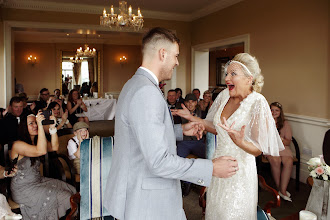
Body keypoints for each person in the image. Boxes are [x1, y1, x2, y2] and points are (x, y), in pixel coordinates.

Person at [104, 27, 238, 220]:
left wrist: (180, 129)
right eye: (175, 56)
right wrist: (210, 168)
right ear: (162, 53)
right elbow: (158, 162)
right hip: (146, 201)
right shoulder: (146, 92)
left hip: (137, 190)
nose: (176, 62)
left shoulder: (135, 83)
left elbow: (140, 131)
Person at [173, 53, 284, 219]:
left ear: (249, 79)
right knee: (215, 210)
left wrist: (240, 142)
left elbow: (257, 150)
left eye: (233, 74)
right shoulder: (224, 96)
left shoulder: (257, 102)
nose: (227, 78)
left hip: (239, 173)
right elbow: (217, 128)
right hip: (217, 164)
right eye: (227, 73)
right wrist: (192, 118)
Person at [9, 113, 76, 219]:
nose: (35, 125)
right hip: (23, 189)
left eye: (36, 122)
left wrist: (53, 128)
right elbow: (41, 151)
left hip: (38, 181)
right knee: (64, 196)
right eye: (31, 123)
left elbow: (54, 147)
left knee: (70, 189)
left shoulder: (37, 141)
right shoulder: (17, 145)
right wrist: (40, 126)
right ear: (23, 127)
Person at [267, 102, 293, 202]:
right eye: (272, 110)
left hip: (282, 147)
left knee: (288, 161)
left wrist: (281, 140)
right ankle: (280, 189)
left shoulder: (285, 123)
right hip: (269, 147)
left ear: (280, 112)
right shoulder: (265, 122)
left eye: (276, 110)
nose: (274, 112)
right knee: (276, 160)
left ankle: (283, 189)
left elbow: (288, 141)